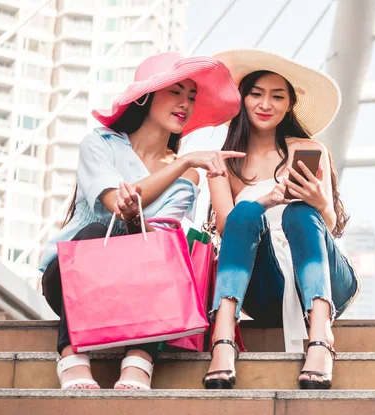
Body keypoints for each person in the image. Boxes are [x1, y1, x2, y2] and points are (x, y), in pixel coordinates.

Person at [39, 52, 243, 390]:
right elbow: (115, 204)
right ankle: (71, 354)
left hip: (141, 288)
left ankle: (139, 358)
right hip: (73, 278)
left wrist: (178, 170)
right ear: (146, 96)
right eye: (175, 92)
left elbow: (158, 237)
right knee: (92, 232)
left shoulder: (188, 176)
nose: (185, 104)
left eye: (191, 97)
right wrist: (182, 163)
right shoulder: (99, 145)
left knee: (162, 249)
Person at [204, 49, 360, 390]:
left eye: (277, 96)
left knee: (300, 211)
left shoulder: (309, 149)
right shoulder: (224, 163)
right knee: (245, 211)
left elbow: (330, 226)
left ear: (290, 104)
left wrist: (321, 202)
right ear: (242, 100)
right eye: (256, 94)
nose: (265, 104)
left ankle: (321, 340)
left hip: (323, 280)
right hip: (264, 287)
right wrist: (265, 200)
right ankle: (223, 339)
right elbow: (225, 228)